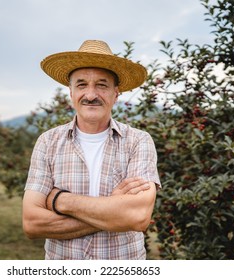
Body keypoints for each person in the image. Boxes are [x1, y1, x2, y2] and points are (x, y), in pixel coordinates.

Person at [22, 40, 161, 260]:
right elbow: (32, 223)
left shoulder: (138, 141)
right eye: (82, 84)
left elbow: (137, 217)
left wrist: (59, 200)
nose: (90, 94)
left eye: (102, 85)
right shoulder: (48, 142)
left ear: (116, 94)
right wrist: (113, 213)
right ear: (71, 92)